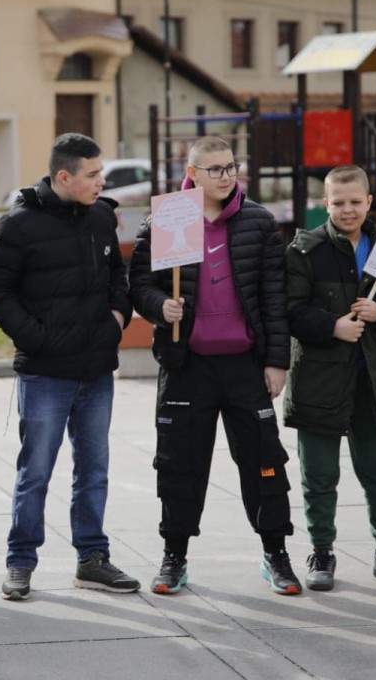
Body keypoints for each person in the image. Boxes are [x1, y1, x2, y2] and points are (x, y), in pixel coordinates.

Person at [128, 136, 297, 596]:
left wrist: (277, 361)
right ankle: (174, 557)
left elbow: (274, 299)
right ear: (193, 173)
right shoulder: (168, 218)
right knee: (179, 466)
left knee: (265, 462)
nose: (226, 177)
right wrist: (161, 305)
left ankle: (276, 554)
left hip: (245, 364)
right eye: (216, 169)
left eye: (231, 167)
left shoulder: (258, 222)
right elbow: (139, 283)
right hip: (187, 365)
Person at [0, 132, 137, 601]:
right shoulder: (20, 224)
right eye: (93, 174)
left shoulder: (101, 217)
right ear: (63, 176)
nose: (101, 181)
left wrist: (117, 317)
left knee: (94, 469)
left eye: (101, 173)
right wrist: (37, 339)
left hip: (96, 369)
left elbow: (118, 277)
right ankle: (20, 563)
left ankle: (92, 559)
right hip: (46, 372)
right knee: (36, 472)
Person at [283, 164, 376, 593]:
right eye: (338, 202)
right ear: (324, 204)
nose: (347, 210)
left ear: (369, 202)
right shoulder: (305, 250)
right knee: (319, 474)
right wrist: (332, 325)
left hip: (372, 380)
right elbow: (291, 311)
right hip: (319, 379)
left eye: (355, 201)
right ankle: (321, 550)